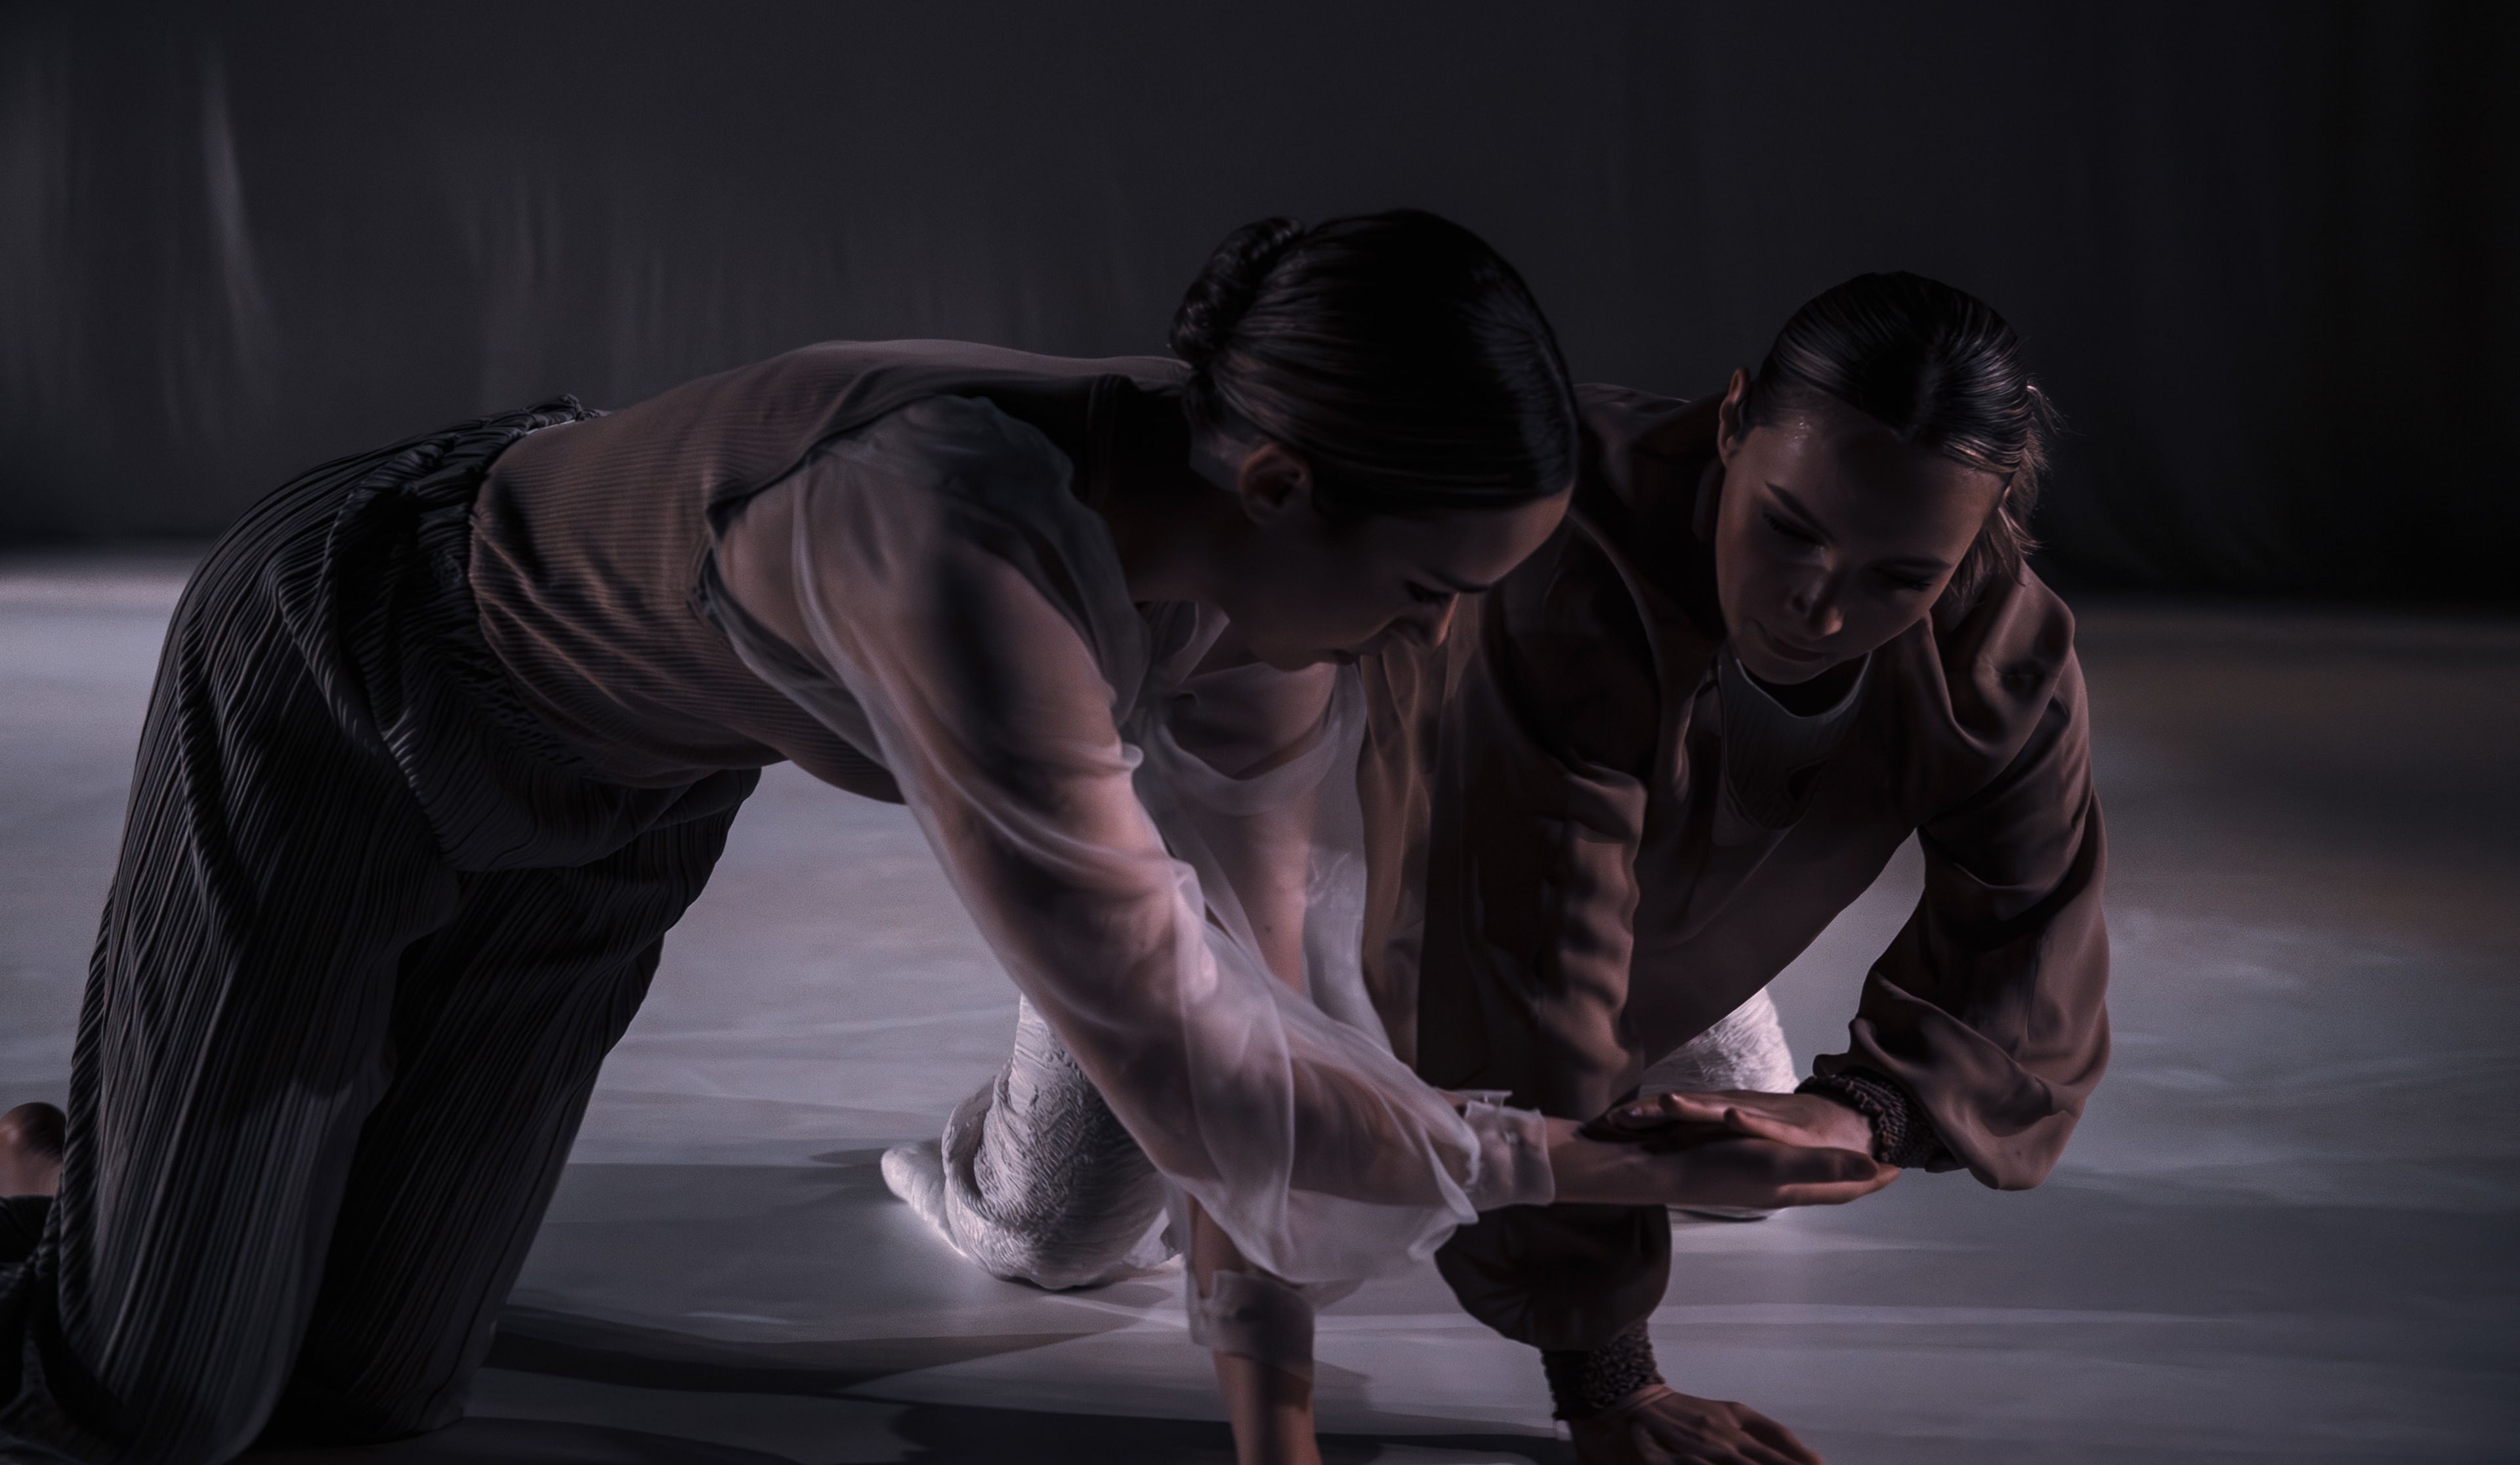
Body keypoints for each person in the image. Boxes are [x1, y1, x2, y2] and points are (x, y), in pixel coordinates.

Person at [0, 211, 1893, 1465]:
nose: (1431, 645)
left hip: (628, 791)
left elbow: (1244, 1027)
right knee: (160, 1418)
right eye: (1419, 590)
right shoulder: (955, 552)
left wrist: (1273, 1432)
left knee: (379, 1401)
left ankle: (141, 1174)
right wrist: (1602, 1167)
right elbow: (1177, 1045)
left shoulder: (1259, 596)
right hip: (356, 683)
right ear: (1278, 483)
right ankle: (75, 1196)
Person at [883, 272, 2107, 1465]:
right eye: (1790, 529)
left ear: (1980, 534)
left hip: (1631, 887)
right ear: (1734, 420)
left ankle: (1684, 956)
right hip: (1332, 841)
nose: (1823, 609)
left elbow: (2031, 925)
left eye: (1904, 576)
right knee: (1050, 1239)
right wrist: (1607, 1376)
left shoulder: (2003, 644)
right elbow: (1523, 963)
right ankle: (1080, 1024)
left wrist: (1859, 1114)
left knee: (1755, 1174)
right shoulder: (1574, 569)